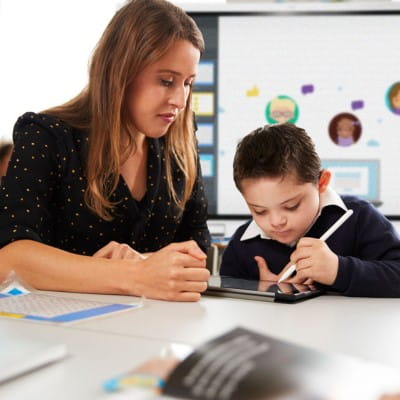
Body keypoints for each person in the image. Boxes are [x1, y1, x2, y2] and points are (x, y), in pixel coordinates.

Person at [0, 0, 211, 301]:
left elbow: (197, 249)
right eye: (166, 81)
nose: (179, 99)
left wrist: (142, 262)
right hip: (59, 333)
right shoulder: (46, 137)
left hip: (155, 331)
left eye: (188, 83)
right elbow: (8, 257)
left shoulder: (180, 143)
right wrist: (134, 275)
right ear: (120, 72)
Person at [220, 123, 400, 297]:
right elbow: (228, 300)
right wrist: (259, 290)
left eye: (291, 206)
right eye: (259, 211)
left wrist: (338, 270)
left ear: (321, 183)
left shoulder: (359, 218)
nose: (276, 221)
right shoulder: (242, 245)